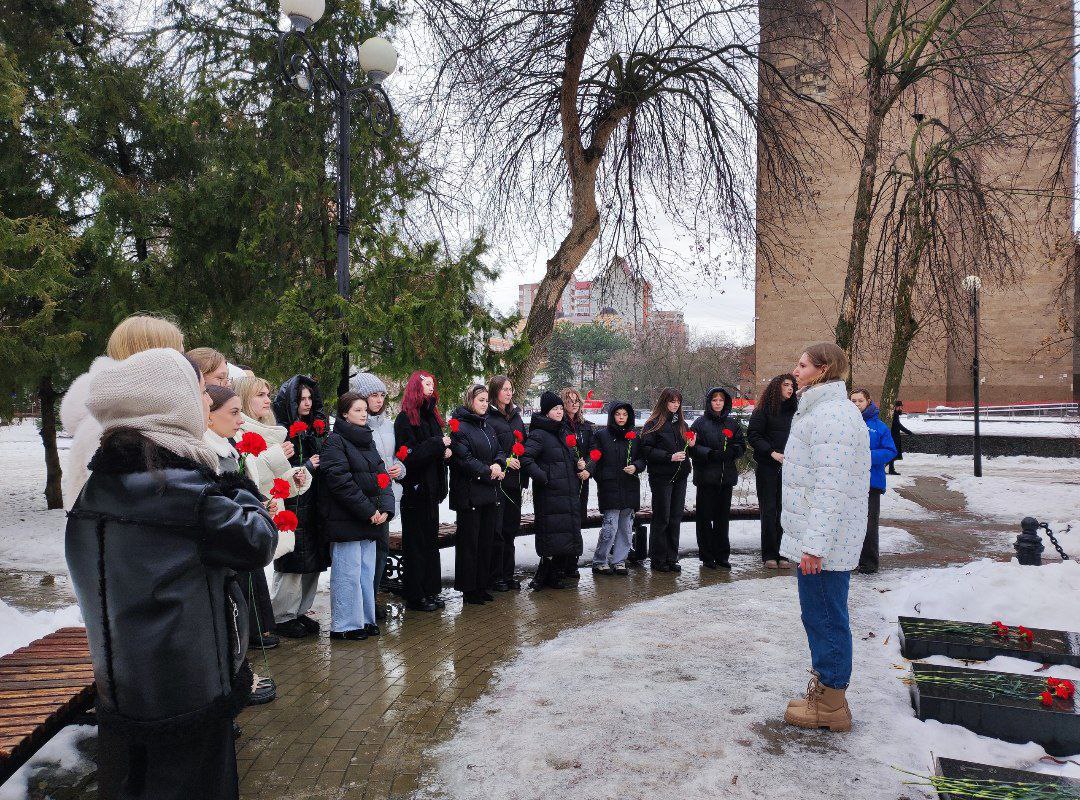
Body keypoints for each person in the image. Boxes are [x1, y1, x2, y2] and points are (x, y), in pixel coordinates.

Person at [65, 348, 277, 800]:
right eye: (200, 391)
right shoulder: (187, 491)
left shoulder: (94, 489)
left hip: (121, 687)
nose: (207, 402)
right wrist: (236, 482)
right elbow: (258, 540)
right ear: (171, 402)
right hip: (189, 692)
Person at [781, 343, 870, 732]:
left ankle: (831, 703)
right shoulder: (824, 411)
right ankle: (826, 689)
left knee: (826, 617)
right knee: (820, 615)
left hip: (824, 546)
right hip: (822, 540)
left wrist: (814, 545)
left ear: (823, 369)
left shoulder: (833, 415)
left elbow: (830, 487)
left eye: (802, 365)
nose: (795, 371)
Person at [203, 384, 289, 704]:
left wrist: (258, 506)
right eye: (234, 413)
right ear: (208, 417)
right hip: (225, 551)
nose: (241, 421)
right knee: (228, 620)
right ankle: (231, 687)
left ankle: (236, 680)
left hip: (237, 547)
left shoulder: (229, 448)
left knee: (236, 619)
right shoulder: (208, 453)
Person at [60, 313, 185, 509]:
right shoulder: (114, 417)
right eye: (178, 353)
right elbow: (119, 499)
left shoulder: (125, 410)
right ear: (155, 356)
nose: (184, 362)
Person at [234, 376, 312, 643]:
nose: (268, 400)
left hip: (271, 507)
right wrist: (279, 456)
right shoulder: (239, 429)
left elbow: (276, 482)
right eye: (260, 395)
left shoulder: (270, 430)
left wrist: (296, 478)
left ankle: (262, 624)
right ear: (245, 398)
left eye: (268, 394)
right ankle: (254, 628)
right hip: (252, 511)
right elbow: (250, 474)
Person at [320, 393, 395, 640]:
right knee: (347, 573)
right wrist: (368, 510)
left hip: (371, 518)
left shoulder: (367, 440)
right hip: (347, 518)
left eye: (365, 410)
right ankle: (344, 625)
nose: (364, 414)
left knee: (365, 571)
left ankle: (364, 619)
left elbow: (382, 475)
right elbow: (340, 482)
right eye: (357, 410)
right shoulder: (335, 441)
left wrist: (385, 508)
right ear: (344, 413)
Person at [271, 375, 329, 638]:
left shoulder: (316, 431)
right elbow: (276, 472)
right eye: (301, 399)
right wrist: (306, 467)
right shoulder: (281, 433)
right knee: (292, 562)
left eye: (309, 399)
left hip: (315, 505)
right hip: (293, 505)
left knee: (313, 563)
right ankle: (282, 615)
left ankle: (300, 611)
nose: (306, 404)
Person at [349, 372, 406, 620]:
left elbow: (395, 458)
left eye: (382, 395)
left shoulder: (389, 426)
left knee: (381, 552)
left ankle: (371, 600)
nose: (379, 400)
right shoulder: (355, 428)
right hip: (363, 501)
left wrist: (400, 468)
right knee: (361, 555)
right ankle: (359, 605)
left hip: (387, 499)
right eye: (374, 395)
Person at [394, 371, 451, 613]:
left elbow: (434, 452)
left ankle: (431, 589)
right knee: (416, 544)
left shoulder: (432, 417)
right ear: (416, 388)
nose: (431, 388)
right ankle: (416, 594)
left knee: (430, 543)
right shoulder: (405, 419)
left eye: (433, 384)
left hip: (431, 490)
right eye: (427, 384)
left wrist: (445, 454)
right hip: (416, 490)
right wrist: (438, 445)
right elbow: (409, 456)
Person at [520, 391, 584, 589]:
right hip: (550, 493)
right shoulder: (539, 434)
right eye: (554, 409)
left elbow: (569, 457)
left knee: (564, 535)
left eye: (559, 409)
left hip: (567, 491)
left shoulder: (563, 431)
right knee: (550, 535)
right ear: (546, 412)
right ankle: (542, 576)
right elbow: (525, 458)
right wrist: (542, 477)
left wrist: (578, 463)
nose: (558, 412)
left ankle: (555, 574)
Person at [449, 385, 506, 604]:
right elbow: (464, 459)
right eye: (480, 400)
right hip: (470, 494)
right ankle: (468, 588)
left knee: (486, 541)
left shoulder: (487, 427)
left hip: (489, 493)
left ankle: (482, 585)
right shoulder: (460, 427)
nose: (484, 404)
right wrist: (488, 470)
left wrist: (499, 464)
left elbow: (499, 450)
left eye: (485, 400)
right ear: (470, 401)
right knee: (469, 544)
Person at [689, 387, 746, 571]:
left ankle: (722, 555)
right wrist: (709, 454)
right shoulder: (699, 423)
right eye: (714, 400)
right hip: (706, 478)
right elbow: (691, 448)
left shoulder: (731, 424)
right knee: (704, 519)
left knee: (722, 519)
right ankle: (707, 556)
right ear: (709, 402)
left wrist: (732, 451)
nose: (718, 403)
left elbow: (741, 445)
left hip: (726, 478)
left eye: (721, 400)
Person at [747, 374, 798, 568]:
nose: (790, 388)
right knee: (769, 510)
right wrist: (771, 452)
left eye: (792, 385)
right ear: (777, 387)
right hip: (768, 466)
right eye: (786, 385)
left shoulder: (796, 411)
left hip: (790, 467)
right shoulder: (763, 410)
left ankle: (783, 553)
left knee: (785, 510)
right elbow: (753, 435)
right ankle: (769, 553)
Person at [639, 388, 693, 572]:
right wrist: (668, 456)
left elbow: (688, 450)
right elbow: (646, 450)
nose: (675, 405)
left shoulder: (683, 424)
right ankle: (658, 559)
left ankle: (672, 557)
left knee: (676, 517)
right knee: (662, 517)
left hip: (680, 476)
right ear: (664, 402)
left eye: (678, 401)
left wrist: (691, 445)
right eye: (672, 401)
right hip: (662, 476)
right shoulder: (652, 424)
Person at [589, 402, 646, 575]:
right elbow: (595, 459)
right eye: (618, 414)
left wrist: (635, 466)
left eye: (624, 415)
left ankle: (620, 560)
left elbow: (642, 459)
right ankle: (600, 560)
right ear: (612, 416)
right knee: (610, 526)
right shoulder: (601, 435)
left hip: (629, 487)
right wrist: (602, 478)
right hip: (610, 487)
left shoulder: (635, 437)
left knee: (626, 528)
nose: (621, 418)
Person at [485, 375, 527, 591]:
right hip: (497, 481)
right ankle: (496, 576)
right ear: (495, 392)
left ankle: (508, 574)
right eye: (504, 389)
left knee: (511, 528)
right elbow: (488, 450)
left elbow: (524, 443)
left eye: (511, 389)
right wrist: (505, 461)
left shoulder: (516, 417)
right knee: (498, 530)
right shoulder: (489, 418)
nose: (509, 393)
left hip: (514, 481)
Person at [850, 388, 898, 575]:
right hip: (849, 482)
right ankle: (849, 560)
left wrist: (867, 457)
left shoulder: (879, 427)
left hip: (871, 482)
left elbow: (890, 450)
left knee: (869, 524)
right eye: (853, 401)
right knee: (850, 523)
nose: (856, 404)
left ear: (868, 401)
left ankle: (869, 563)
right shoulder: (845, 423)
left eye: (859, 401)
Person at [888, 400, 913, 475]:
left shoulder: (894, 414)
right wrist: (908, 432)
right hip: (893, 436)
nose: (901, 409)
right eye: (899, 407)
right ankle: (888, 469)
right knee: (893, 452)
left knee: (893, 453)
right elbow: (898, 426)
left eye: (901, 407)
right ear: (896, 407)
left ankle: (891, 469)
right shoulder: (894, 415)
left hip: (894, 436)